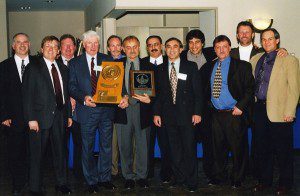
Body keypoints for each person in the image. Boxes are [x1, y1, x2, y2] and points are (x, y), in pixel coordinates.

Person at [68, 30, 128, 193]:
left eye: (96, 43)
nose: (93, 46)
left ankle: (105, 178)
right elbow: (71, 87)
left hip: (107, 111)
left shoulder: (107, 59)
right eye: (89, 43)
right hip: (86, 110)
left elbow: (119, 83)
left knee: (106, 146)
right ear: (84, 44)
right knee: (87, 147)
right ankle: (91, 180)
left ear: (99, 44)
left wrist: (124, 95)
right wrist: (84, 97)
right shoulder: (75, 63)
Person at [251, 28, 300, 195]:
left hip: (280, 112)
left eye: (270, 39)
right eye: (263, 39)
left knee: (283, 151)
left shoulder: (289, 59)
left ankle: (285, 183)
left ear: (277, 40)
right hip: (259, 110)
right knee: (262, 149)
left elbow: (294, 89)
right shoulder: (256, 59)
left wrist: (290, 111)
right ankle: (265, 181)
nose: (266, 42)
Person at [202, 35, 255, 188]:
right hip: (216, 115)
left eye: (224, 46)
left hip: (234, 113)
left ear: (230, 48)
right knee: (217, 149)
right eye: (218, 47)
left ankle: (238, 178)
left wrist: (241, 106)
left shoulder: (242, 66)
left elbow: (250, 89)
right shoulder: (208, 67)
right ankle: (219, 176)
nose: (221, 50)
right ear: (214, 50)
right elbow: (204, 90)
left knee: (238, 149)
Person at [22, 35, 72, 195]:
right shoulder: (33, 67)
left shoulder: (63, 68)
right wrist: (31, 119)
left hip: (60, 116)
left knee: (60, 153)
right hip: (39, 118)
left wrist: (68, 115)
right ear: (42, 49)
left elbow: (66, 93)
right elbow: (27, 95)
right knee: (37, 155)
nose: (51, 48)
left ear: (58, 51)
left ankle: (61, 183)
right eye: (48, 46)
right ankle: (35, 188)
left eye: (54, 46)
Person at [153, 37, 202, 192]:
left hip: (187, 115)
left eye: (175, 46)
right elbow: (158, 95)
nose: (172, 49)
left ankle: (192, 181)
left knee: (189, 149)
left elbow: (198, 93)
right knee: (174, 150)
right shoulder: (159, 69)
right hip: (168, 116)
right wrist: (156, 114)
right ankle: (179, 178)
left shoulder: (191, 66)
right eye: (168, 47)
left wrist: (197, 112)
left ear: (181, 49)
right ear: (164, 49)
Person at [0, 33, 37, 195]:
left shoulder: (38, 64)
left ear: (29, 45)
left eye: (25, 42)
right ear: (13, 46)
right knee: (15, 154)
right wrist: (3, 115)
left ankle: (34, 183)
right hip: (13, 119)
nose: (22, 45)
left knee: (34, 153)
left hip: (35, 118)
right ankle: (17, 183)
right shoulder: (3, 66)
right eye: (18, 42)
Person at [114, 35, 152, 189]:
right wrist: (118, 99)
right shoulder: (115, 65)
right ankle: (128, 176)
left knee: (143, 145)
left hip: (143, 110)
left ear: (139, 47)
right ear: (123, 49)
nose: (132, 50)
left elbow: (157, 90)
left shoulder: (148, 65)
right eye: (128, 47)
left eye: (135, 46)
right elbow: (109, 88)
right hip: (122, 110)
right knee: (124, 145)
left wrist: (151, 99)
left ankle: (142, 176)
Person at [181, 29, 216, 183]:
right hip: (187, 109)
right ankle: (189, 175)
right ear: (187, 45)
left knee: (210, 143)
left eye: (197, 42)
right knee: (188, 144)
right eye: (191, 42)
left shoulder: (211, 55)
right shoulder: (180, 57)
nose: (194, 45)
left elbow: (232, 50)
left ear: (203, 44)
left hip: (208, 109)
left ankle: (210, 173)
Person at [140, 35, 172, 182]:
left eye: (156, 44)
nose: (153, 47)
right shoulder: (141, 63)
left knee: (166, 144)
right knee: (147, 145)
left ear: (162, 46)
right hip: (145, 111)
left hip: (165, 112)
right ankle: (147, 173)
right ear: (146, 48)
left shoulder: (170, 62)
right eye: (150, 45)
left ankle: (167, 173)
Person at [57, 34, 83, 181]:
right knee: (61, 145)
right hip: (61, 113)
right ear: (60, 48)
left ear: (75, 47)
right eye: (65, 45)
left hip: (79, 112)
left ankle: (79, 174)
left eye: (71, 45)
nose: (68, 48)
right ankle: (63, 176)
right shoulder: (53, 63)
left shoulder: (81, 63)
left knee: (80, 144)